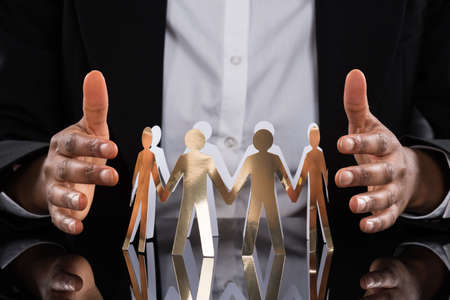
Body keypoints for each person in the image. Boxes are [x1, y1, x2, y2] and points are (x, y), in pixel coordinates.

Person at [0, 1, 449, 239]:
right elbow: (13, 138)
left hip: (348, 262)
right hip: (111, 262)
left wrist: (416, 178)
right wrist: (46, 181)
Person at [162, 129, 229, 257]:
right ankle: (208, 252)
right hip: (199, 194)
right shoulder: (206, 159)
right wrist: (226, 193)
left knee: (186, 220)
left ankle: (178, 250)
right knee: (202, 221)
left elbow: (173, 180)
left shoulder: (184, 158)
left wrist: (166, 192)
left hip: (191, 193)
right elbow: (217, 180)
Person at [227, 129, 295, 255]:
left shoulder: (262, 158)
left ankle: (268, 246)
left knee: (267, 217)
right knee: (263, 217)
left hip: (265, 193)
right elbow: (241, 177)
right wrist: (291, 192)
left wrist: (291, 192)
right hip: (260, 193)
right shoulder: (264, 158)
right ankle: (268, 246)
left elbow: (283, 176)